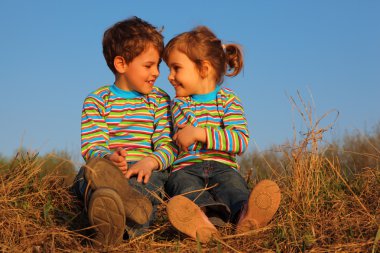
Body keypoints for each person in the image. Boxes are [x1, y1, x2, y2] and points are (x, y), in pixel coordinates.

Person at [162, 26, 281, 243]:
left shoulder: (228, 100)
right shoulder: (177, 104)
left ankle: (246, 216)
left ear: (203, 69)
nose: (169, 77)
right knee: (185, 189)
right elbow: (175, 138)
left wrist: (200, 133)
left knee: (234, 190)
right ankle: (202, 222)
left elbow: (240, 140)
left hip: (223, 167)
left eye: (176, 68)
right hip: (186, 169)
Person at [71, 16, 177, 247]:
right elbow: (93, 145)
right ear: (121, 64)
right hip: (109, 171)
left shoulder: (159, 100)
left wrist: (151, 162)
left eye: (158, 65)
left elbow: (168, 145)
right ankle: (108, 209)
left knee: (146, 189)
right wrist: (108, 159)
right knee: (86, 177)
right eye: (149, 65)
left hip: (144, 170)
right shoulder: (97, 100)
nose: (157, 72)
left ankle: (121, 232)